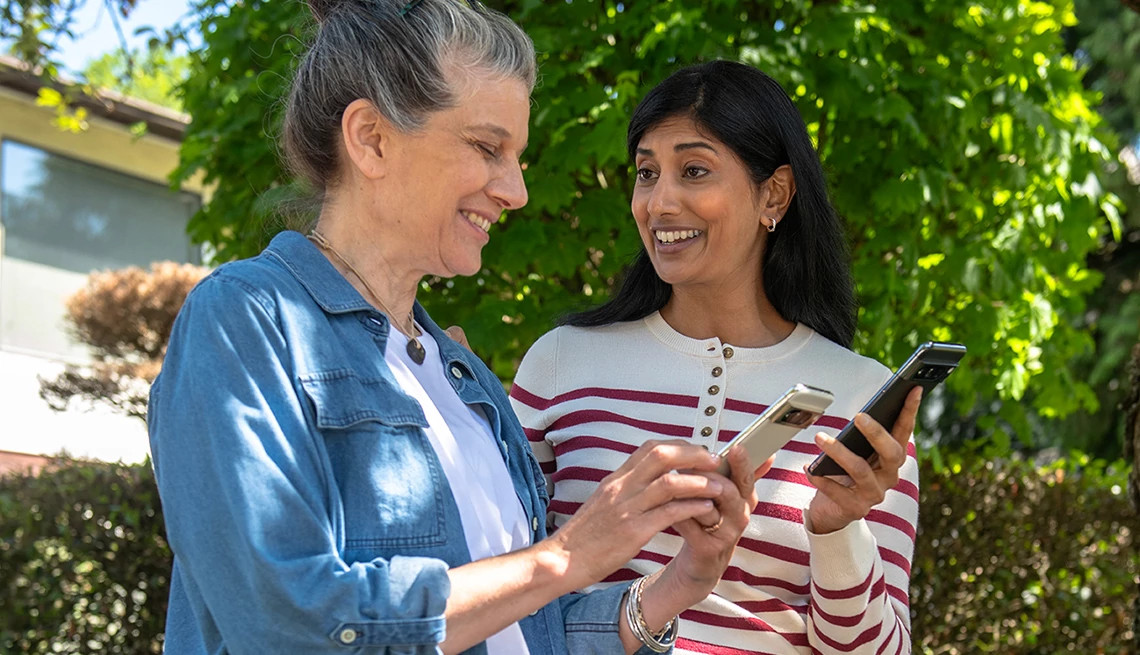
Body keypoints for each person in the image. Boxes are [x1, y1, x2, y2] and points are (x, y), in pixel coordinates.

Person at [147, 3, 764, 654]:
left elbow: (521, 627)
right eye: (487, 147)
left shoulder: (460, 375)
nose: (516, 189)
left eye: (516, 156)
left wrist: (673, 586)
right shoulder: (245, 322)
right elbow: (291, 625)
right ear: (371, 138)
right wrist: (563, 556)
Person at [510, 60, 921, 655]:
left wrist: (837, 529)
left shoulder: (863, 399)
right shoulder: (559, 366)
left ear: (773, 194)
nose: (659, 202)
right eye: (647, 173)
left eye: (694, 170)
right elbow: (506, 588)